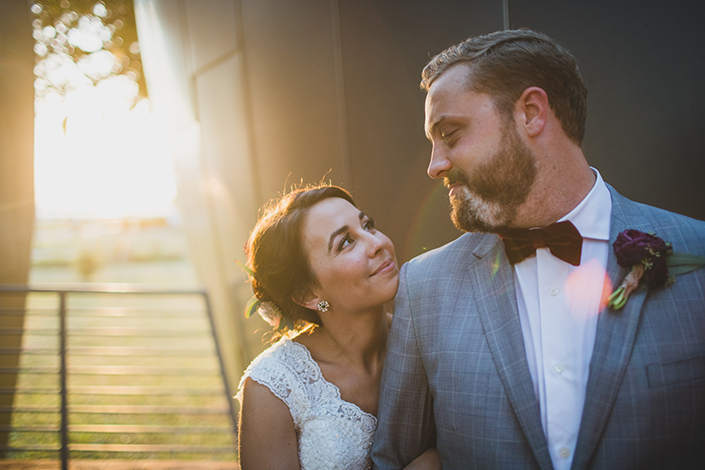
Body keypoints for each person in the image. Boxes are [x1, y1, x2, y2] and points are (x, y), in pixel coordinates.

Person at [371, 29, 705, 470]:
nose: (435, 166)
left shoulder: (695, 252)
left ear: (531, 112)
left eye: (450, 133)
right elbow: (395, 458)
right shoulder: (423, 288)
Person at [236, 185, 441, 470]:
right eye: (346, 242)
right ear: (309, 295)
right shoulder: (273, 388)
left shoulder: (431, 340)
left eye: (368, 225)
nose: (377, 242)